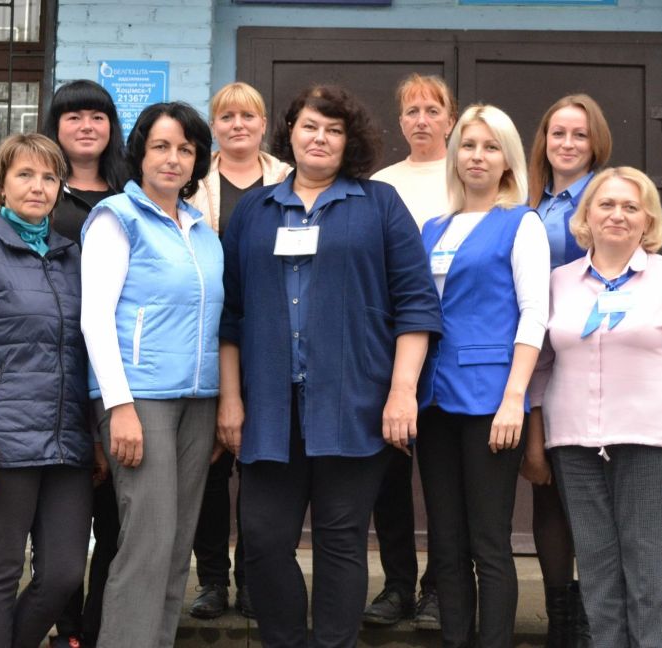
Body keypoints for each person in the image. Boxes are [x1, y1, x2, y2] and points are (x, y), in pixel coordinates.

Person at [218, 84, 443, 648]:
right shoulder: (254, 211)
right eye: (310, 126)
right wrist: (231, 398)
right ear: (290, 133)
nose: (320, 138)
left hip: (354, 404)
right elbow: (231, 313)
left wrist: (402, 392)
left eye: (334, 130)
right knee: (263, 540)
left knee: (341, 542)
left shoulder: (380, 204)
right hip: (269, 408)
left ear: (350, 141)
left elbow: (416, 304)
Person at [529, 167, 662, 648]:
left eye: (630, 207)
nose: (617, 215)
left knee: (648, 573)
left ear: (647, 220)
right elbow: (540, 368)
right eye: (607, 205)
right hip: (574, 446)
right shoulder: (560, 282)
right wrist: (537, 443)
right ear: (587, 215)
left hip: (650, 444)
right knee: (597, 572)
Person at [0, 133, 93, 647]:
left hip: (66, 443)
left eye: (50, 177)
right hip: (2, 441)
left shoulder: (72, 257)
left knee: (64, 574)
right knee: (0, 568)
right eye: (25, 175)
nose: (38, 187)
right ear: (1, 186)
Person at [81, 102, 220, 648]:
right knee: (147, 541)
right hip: (139, 399)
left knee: (177, 543)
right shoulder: (117, 217)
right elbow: (95, 318)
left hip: (198, 400)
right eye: (161, 146)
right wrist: (119, 406)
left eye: (185, 149)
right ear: (139, 152)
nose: (173, 158)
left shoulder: (202, 231)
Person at [416, 104, 550, 648]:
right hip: (434, 400)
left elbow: (534, 315)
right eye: (468, 145)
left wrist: (515, 397)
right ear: (454, 156)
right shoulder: (432, 228)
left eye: (491, 147)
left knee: (489, 542)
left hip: (491, 401)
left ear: (508, 160)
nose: (477, 156)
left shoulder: (521, 223)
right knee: (445, 543)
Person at [186, 81, 291, 621]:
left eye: (248, 116)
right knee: (208, 467)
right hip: (204, 338)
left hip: (271, 339)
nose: (238, 125)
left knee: (261, 467)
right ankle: (211, 580)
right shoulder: (192, 182)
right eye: (226, 117)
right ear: (214, 127)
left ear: (263, 124)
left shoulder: (289, 180)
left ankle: (253, 578)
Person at [364, 72, 457, 630]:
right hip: (391, 343)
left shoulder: (468, 177)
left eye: (432, 110)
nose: (422, 120)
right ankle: (398, 584)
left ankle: (440, 588)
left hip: (454, 348)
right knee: (388, 476)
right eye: (412, 111)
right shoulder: (382, 183)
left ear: (450, 118)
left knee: (445, 479)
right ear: (400, 122)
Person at [42, 78, 131, 648]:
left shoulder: (131, 194)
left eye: (97, 116)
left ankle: (100, 629)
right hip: (57, 371)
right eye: (73, 116)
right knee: (63, 523)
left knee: (116, 522)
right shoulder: (44, 194)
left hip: (123, 374)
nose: (86, 126)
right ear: (56, 126)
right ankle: (68, 629)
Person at [522, 93, 612, 647]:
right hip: (540, 357)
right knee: (549, 489)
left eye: (580, 134)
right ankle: (562, 618)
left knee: (595, 494)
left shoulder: (609, 196)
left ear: (595, 141)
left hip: (593, 356)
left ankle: (598, 614)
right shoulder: (532, 202)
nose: (568, 143)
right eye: (558, 133)